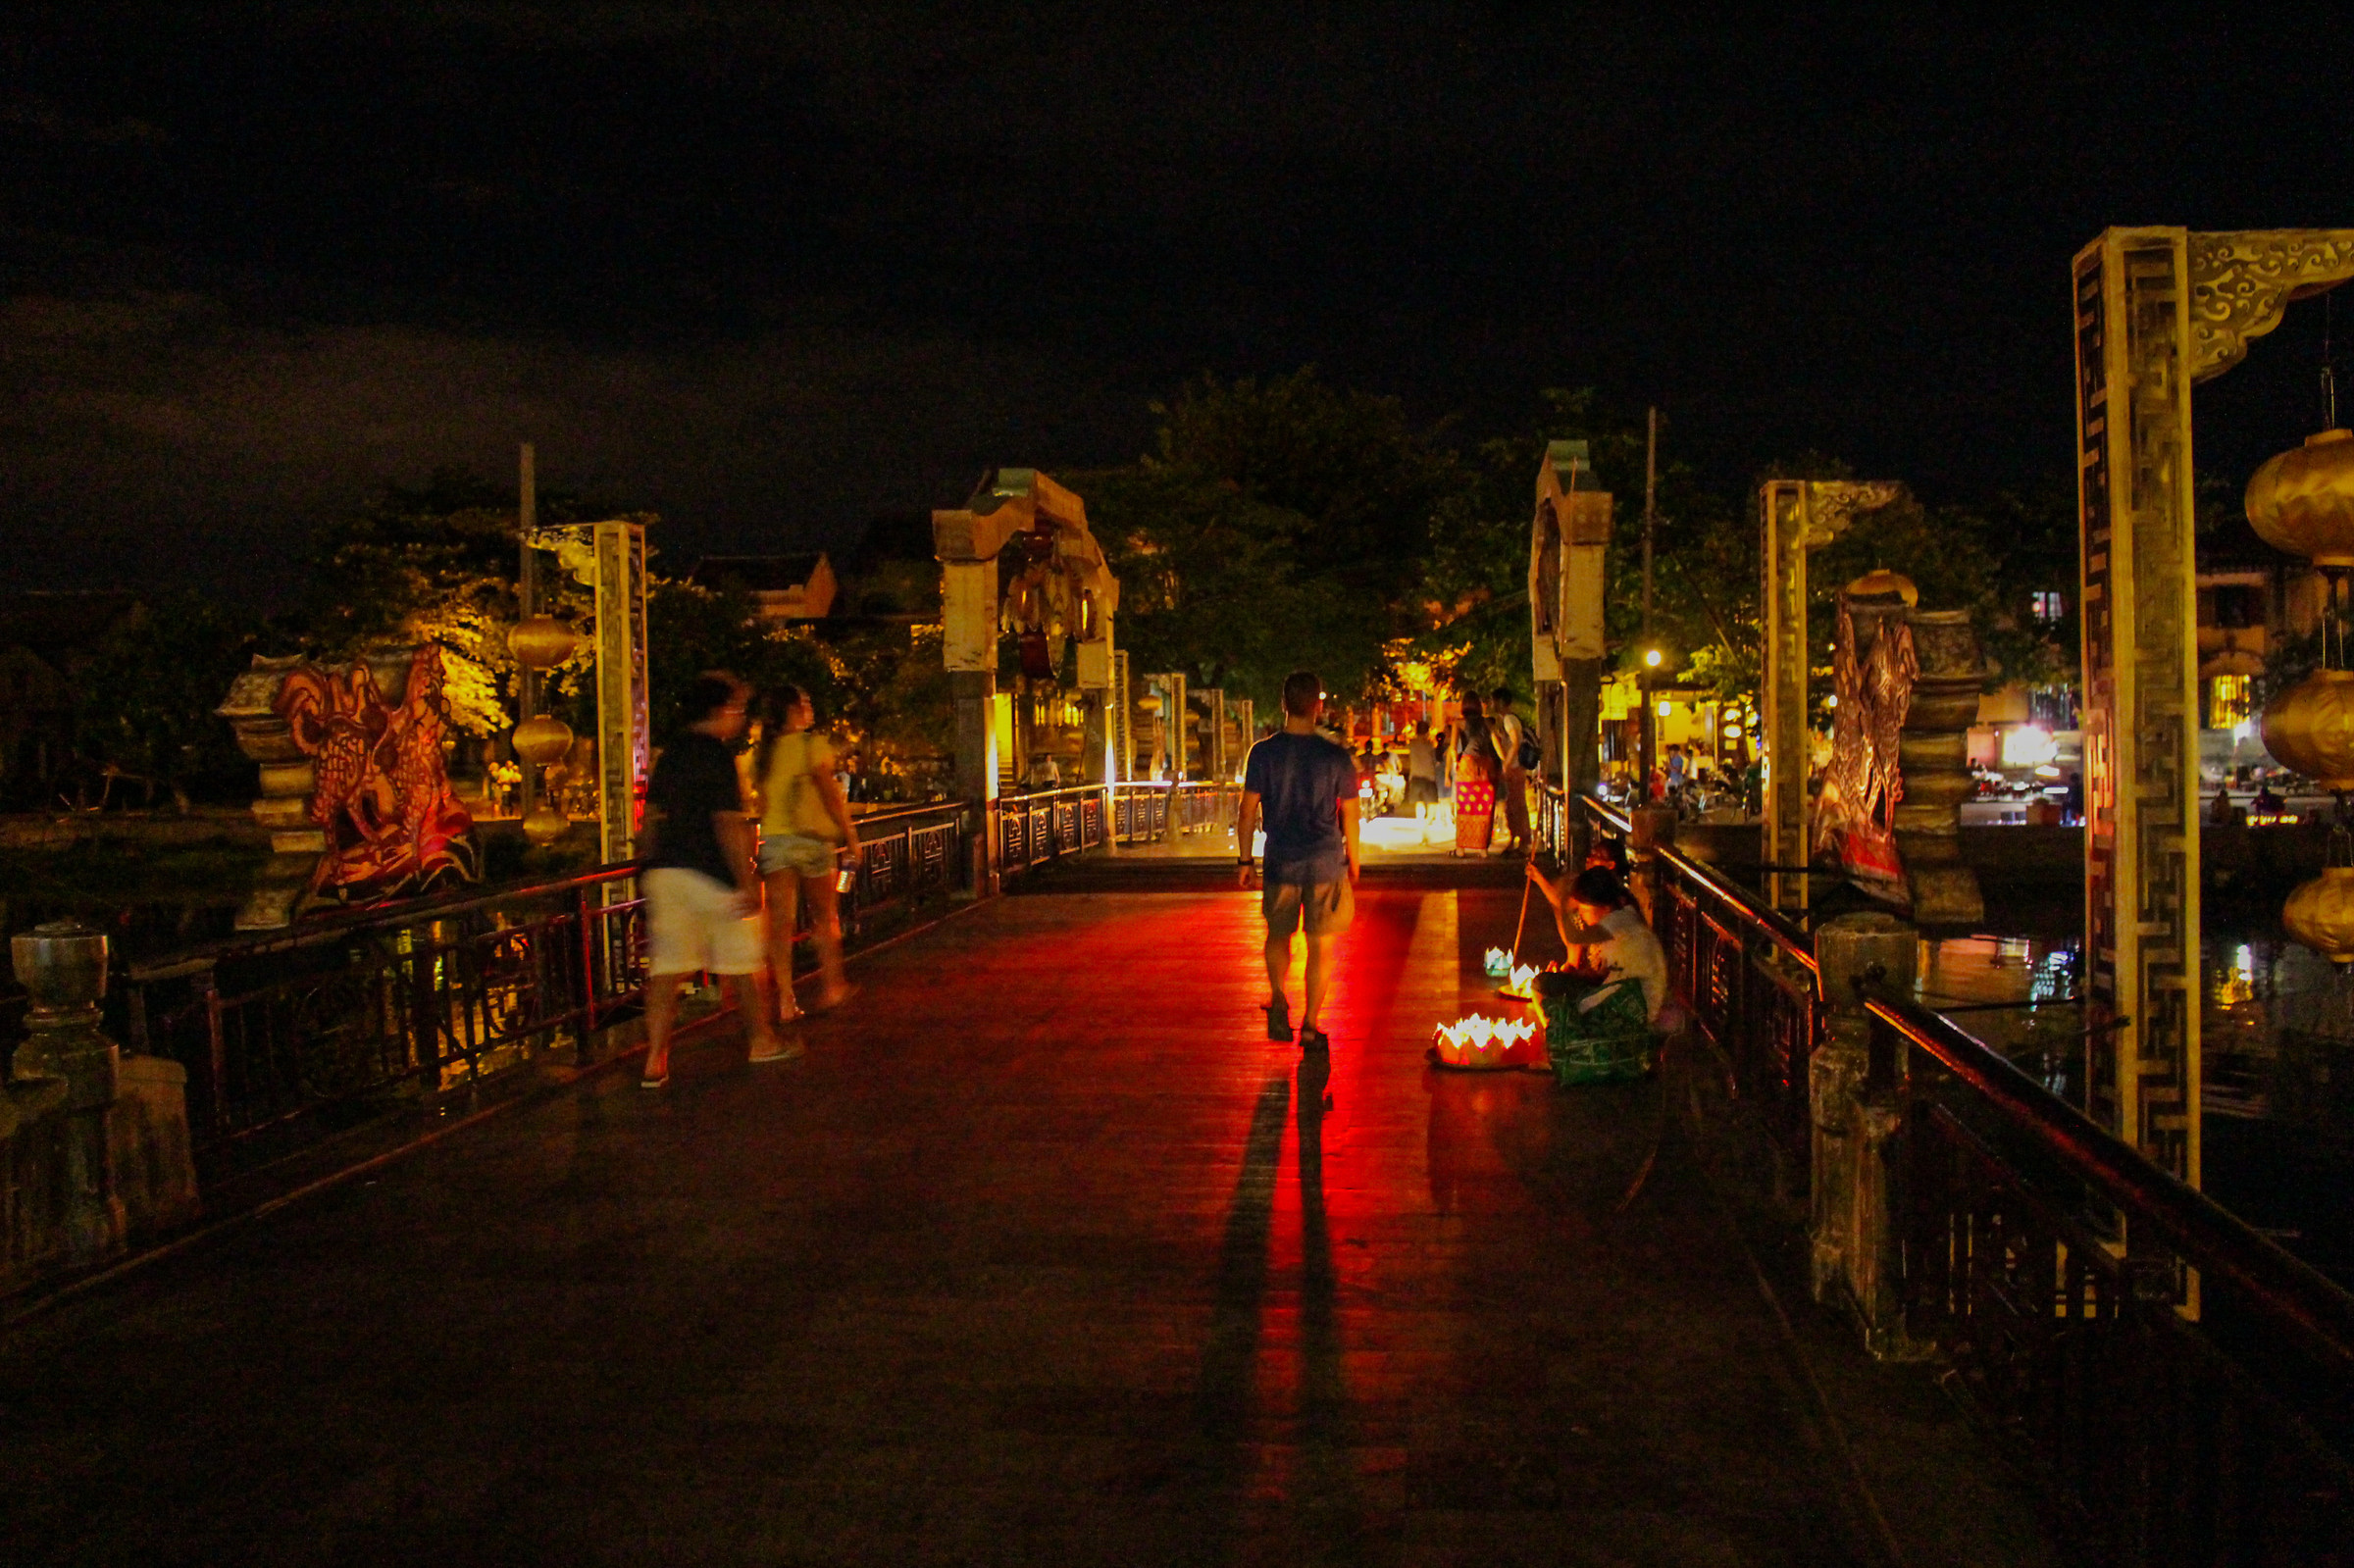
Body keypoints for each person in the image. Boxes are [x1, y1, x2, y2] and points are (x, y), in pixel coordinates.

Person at [639, 672, 783, 1087]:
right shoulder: (717, 757)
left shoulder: (671, 756)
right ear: (721, 711)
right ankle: (762, 1041)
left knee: (666, 973)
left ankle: (654, 1060)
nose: (740, 718)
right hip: (712, 876)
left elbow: (651, 820)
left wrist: (648, 866)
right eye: (737, 709)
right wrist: (746, 879)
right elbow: (727, 824)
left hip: (667, 873)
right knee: (744, 964)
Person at [1238, 670, 1360, 1052]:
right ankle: (1310, 1025)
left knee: (1278, 933)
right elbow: (1351, 816)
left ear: (1283, 704)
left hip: (1281, 860)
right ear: (1318, 707)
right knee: (1321, 944)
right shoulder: (1336, 756)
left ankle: (1277, 996)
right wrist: (1354, 860)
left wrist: (1245, 860)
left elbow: (1246, 811)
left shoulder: (1263, 753)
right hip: (1325, 862)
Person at [757, 683, 861, 1024]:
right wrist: (850, 835)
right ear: (791, 711)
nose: (809, 706)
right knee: (824, 917)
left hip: (775, 841)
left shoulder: (765, 754)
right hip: (812, 841)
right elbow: (830, 793)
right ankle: (833, 985)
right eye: (804, 702)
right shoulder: (811, 745)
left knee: (780, 925)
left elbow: (760, 804)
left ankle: (786, 999)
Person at [1524, 862, 1668, 1029]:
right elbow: (1600, 972)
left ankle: (1556, 1035)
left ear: (1603, 907)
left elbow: (1605, 985)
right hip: (1636, 999)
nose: (1581, 916)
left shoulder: (1615, 928)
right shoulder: (1624, 915)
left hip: (1631, 1008)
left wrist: (1576, 1003)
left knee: (1541, 984)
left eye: (1584, 910)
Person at [1453, 693, 1500, 856]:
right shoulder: (1487, 722)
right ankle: (1482, 849)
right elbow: (1495, 742)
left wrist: (1455, 766)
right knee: (1484, 808)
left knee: (1465, 808)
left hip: (1467, 765)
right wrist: (1504, 760)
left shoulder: (1459, 723)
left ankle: (1461, 848)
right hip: (1485, 765)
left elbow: (1453, 749)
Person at [1490, 686, 1535, 856]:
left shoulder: (1509, 719)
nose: (1491, 704)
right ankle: (1518, 840)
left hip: (1515, 768)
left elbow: (1515, 742)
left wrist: (1506, 765)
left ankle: (1522, 841)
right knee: (1514, 805)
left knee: (1516, 805)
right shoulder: (1510, 720)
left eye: (1493, 700)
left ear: (1500, 702)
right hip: (1516, 767)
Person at [1406, 719, 1441, 839]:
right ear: (1427, 732)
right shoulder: (1430, 745)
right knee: (1432, 804)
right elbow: (1435, 760)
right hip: (1428, 776)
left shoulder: (1412, 744)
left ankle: (1421, 825)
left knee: (1419, 803)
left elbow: (1406, 740)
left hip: (1415, 776)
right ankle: (1426, 825)